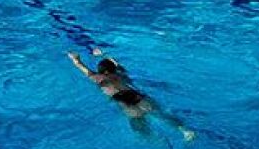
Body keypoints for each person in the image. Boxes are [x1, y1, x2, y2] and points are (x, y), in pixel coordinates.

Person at [67, 51, 195, 142]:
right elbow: (116, 64)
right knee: (161, 114)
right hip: (137, 95)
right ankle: (186, 131)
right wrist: (103, 54)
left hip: (122, 101)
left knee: (139, 127)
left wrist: (74, 58)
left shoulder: (97, 78)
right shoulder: (121, 74)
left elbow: (80, 65)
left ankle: (159, 141)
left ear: (101, 71)